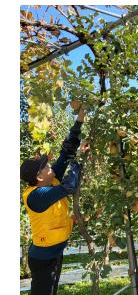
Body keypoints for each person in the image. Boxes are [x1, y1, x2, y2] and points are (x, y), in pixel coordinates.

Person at [20, 108, 86, 294]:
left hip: (54, 252)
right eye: (46, 166)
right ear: (39, 177)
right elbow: (69, 186)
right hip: (43, 259)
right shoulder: (36, 196)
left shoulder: (51, 179)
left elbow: (66, 152)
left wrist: (79, 121)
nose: (50, 166)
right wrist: (77, 160)